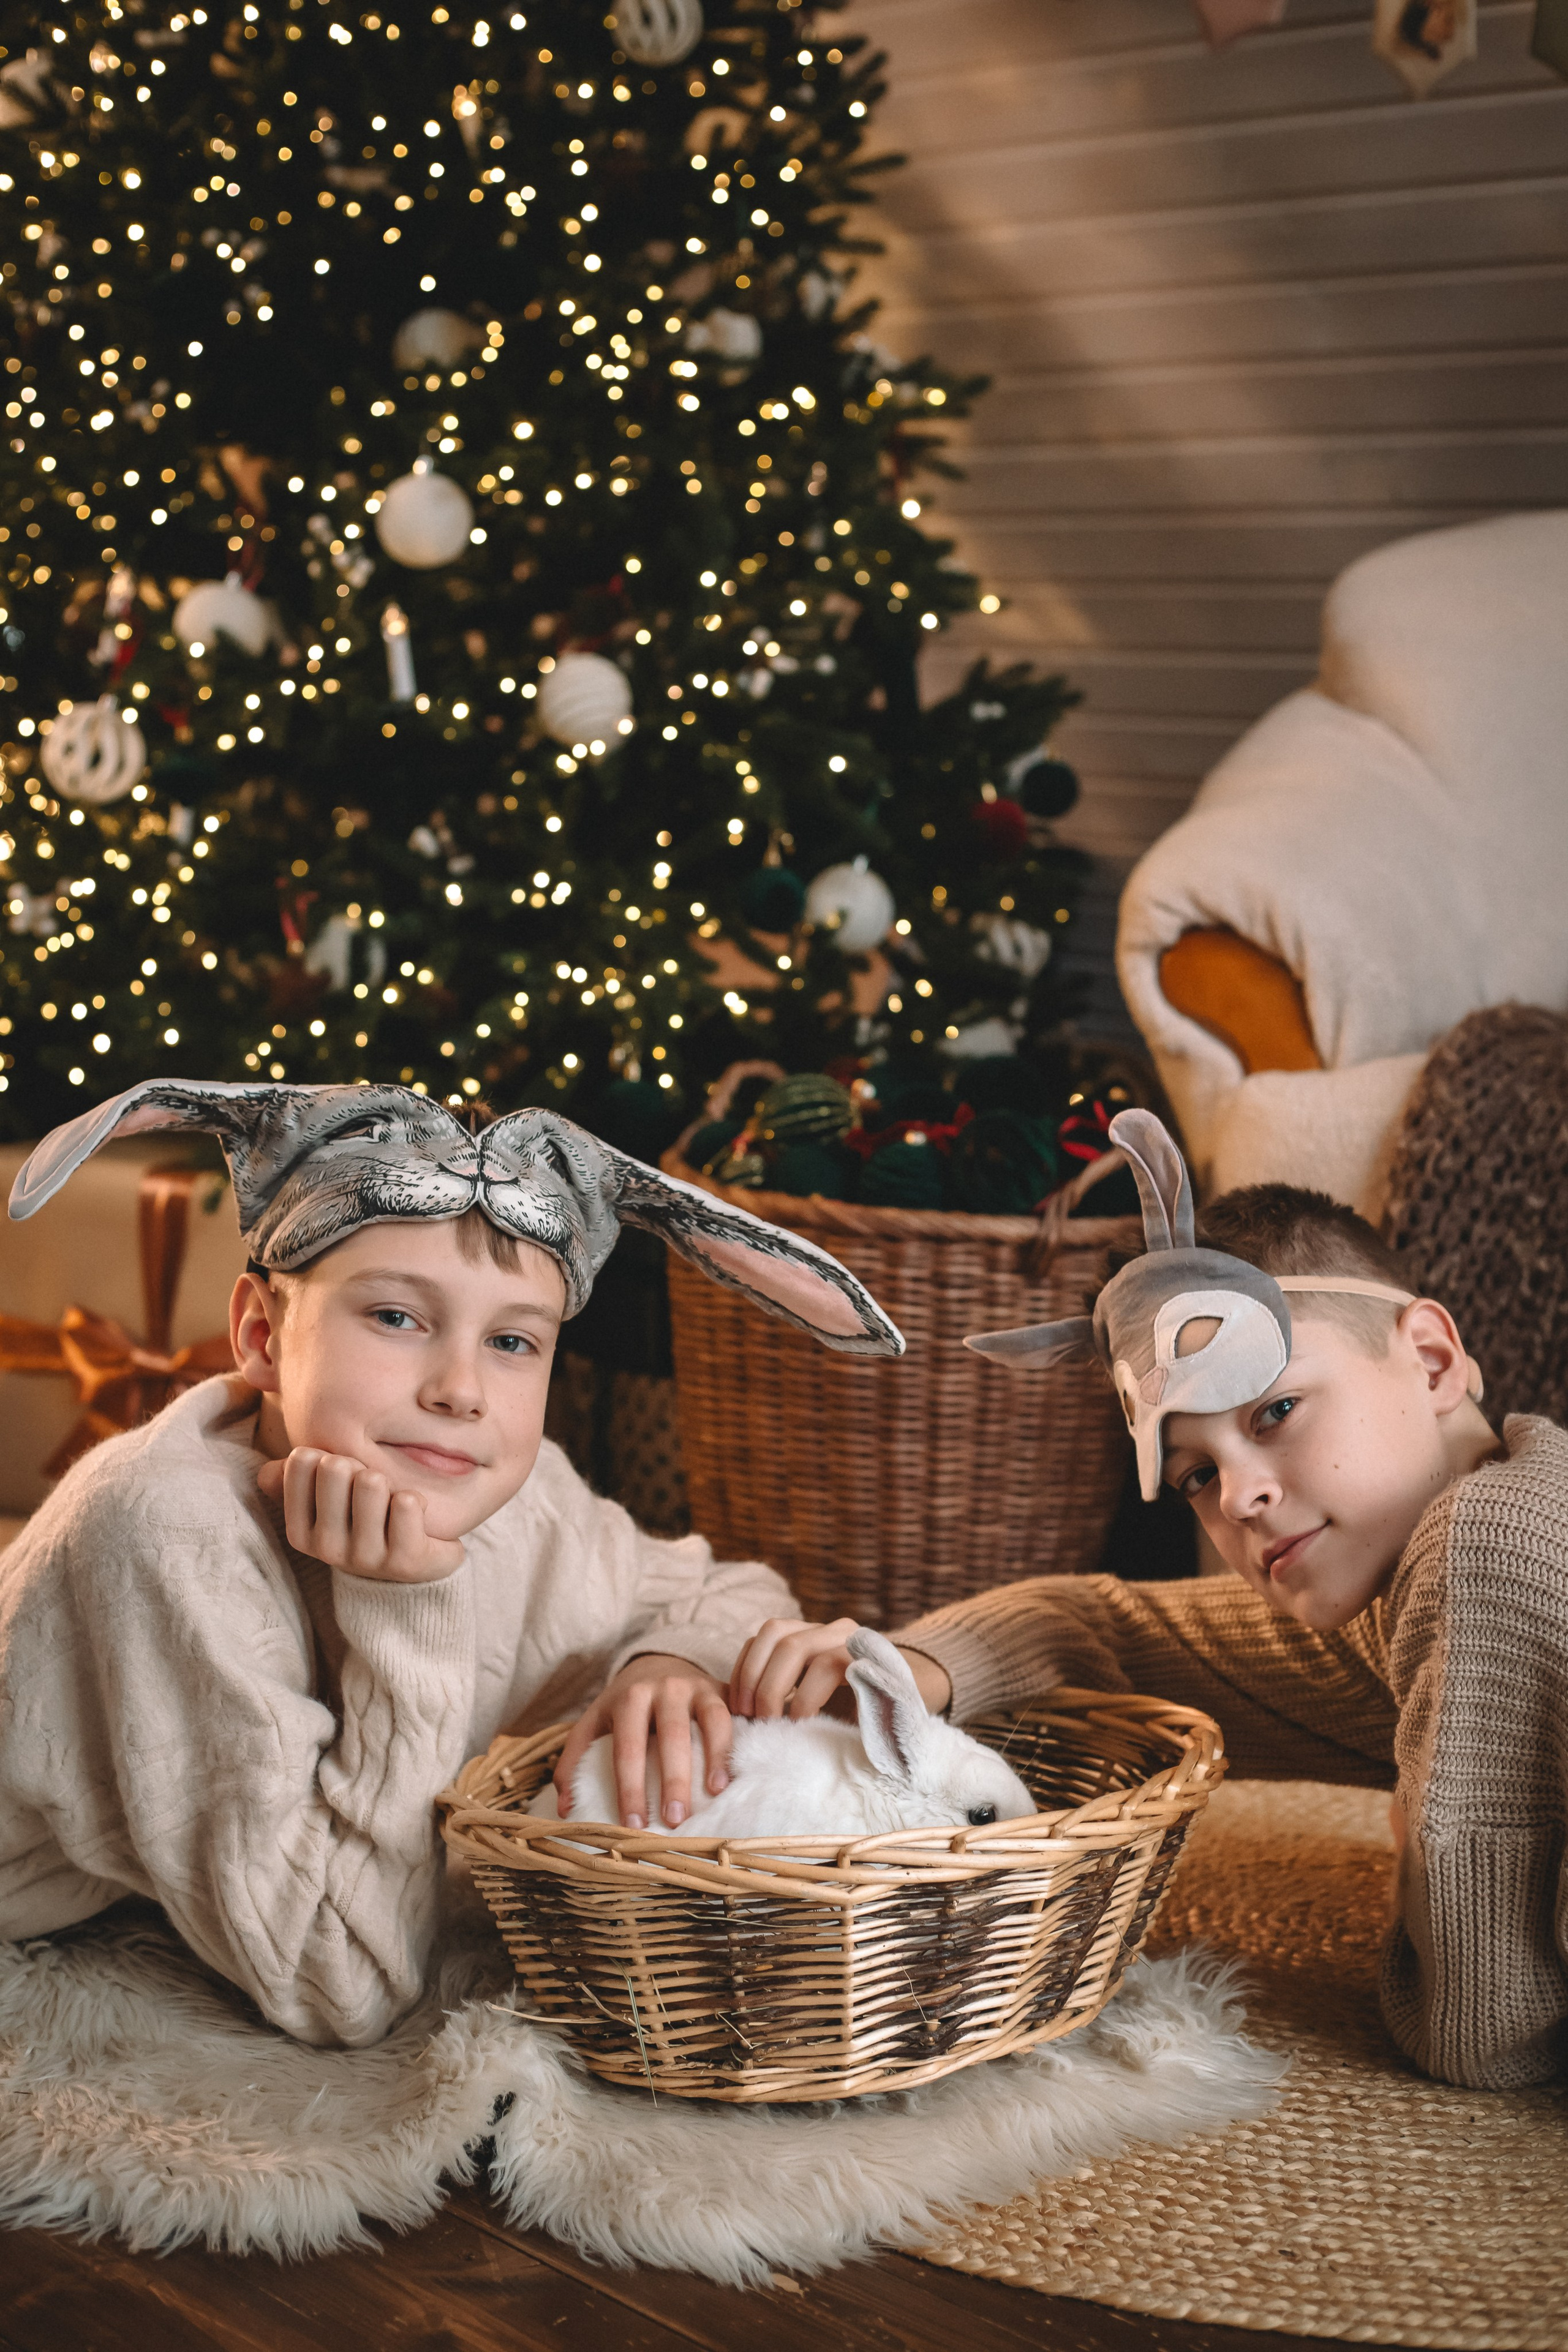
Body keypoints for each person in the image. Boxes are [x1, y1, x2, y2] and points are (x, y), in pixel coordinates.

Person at [0, 1077, 902, 2046]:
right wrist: (402, 1609)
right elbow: (342, 1980)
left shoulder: (512, 1493)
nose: (462, 1390)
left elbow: (739, 1591)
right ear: (262, 1336)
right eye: (397, 1318)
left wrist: (666, 1663)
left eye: (514, 1341)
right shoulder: (165, 1525)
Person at [729, 1109, 1568, 2092]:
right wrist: (907, 1671)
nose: (1243, 1496)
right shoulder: (1420, 1576)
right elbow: (1102, 1631)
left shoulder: (1490, 1548)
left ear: (1430, 1358)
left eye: (1278, 1412)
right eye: (1195, 1477)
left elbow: (1484, 2035)